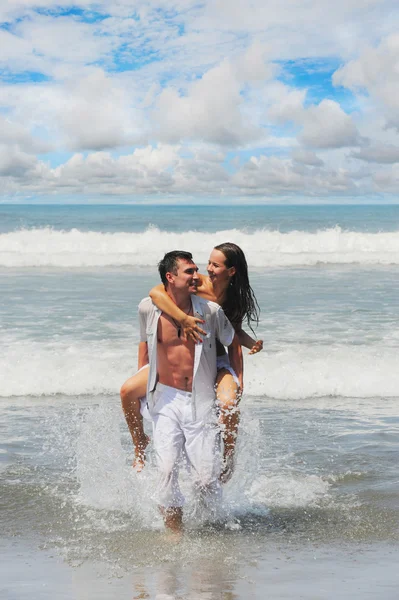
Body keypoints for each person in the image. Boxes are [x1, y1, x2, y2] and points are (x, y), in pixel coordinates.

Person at [120, 242, 262, 482]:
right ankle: (139, 443)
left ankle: (229, 454)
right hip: (183, 359)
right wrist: (183, 319)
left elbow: (233, 336)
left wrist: (244, 368)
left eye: (215, 265)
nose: (208, 269)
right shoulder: (197, 286)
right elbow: (157, 293)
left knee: (228, 403)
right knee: (127, 391)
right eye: (208, 263)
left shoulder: (234, 298)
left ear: (232, 271)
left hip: (215, 360)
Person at [137, 250, 236, 532]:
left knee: (205, 480)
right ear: (170, 277)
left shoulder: (211, 311)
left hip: (200, 398)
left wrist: (232, 381)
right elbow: (144, 345)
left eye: (196, 270)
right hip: (165, 397)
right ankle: (174, 533)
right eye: (189, 272)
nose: (197, 276)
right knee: (167, 471)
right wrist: (143, 382)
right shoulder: (148, 308)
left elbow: (231, 342)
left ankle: (209, 528)